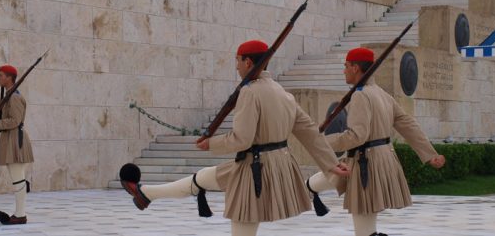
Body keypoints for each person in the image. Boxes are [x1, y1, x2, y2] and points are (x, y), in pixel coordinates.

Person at [120, 40, 350, 236]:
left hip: (255, 168)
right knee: (202, 178)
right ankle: (146, 193)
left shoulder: (250, 92)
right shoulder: (282, 93)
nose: (236, 66)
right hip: (276, 165)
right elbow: (309, 131)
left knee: (242, 225)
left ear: (248, 62)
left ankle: (146, 193)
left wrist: (211, 144)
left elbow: (242, 139)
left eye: (238, 60)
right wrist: (331, 163)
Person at [306, 47, 446, 236]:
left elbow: (357, 136)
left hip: (366, 163)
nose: (344, 70)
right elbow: (407, 124)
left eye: (346, 66)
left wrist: (323, 143)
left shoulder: (360, 95)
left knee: (365, 230)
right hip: (382, 159)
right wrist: (430, 154)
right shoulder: (381, 93)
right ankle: (309, 188)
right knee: (362, 219)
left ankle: (309, 188)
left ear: (356, 68)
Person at [0, 65, 34, 225]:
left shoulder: (15, 97)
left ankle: (20, 215)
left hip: (15, 140)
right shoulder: (9, 95)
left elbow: (15, 121)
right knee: (17, 179)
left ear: (9, 77)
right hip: (10, 139)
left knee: (18, 179)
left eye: (1, 75)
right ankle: (19, 214)